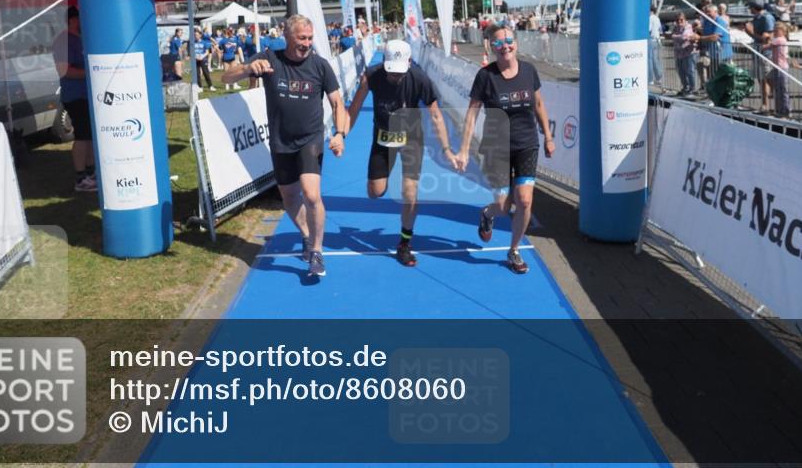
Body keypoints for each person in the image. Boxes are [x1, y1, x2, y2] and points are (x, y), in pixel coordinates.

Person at [224, 15, 348, 277]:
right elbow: (226, 77)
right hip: (281, 141)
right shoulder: (270, 59)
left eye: (310, 38)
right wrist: (248, 69)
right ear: (287, 37)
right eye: (301, 38)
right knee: (290, 198)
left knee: (311, 194)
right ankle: (305, 234)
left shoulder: (320, 65)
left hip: (310, 139)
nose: (307, 43)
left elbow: (338, 104)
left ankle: (316, 251)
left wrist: (340, 134)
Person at [346, 40, 458, 266]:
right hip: (383, 137)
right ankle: (384, 179)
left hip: (411, 138)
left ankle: (404, 243)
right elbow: (355, 106)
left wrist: (446, 149)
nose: (395, 77)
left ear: (408, 63)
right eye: (391, 72)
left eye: (399, 72)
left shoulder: (420, 79)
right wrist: (342, 134)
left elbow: (436, 115)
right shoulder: (372, 76)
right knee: (375, 192)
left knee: (409, 192)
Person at [456, 24, 555, 275]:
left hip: (526, 144)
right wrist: (464, 150)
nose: (505, 46)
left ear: (516, 43)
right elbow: (471, 114)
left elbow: (539, 104)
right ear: (491, 46)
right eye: (498, 42)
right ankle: (488, 213)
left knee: (524, 200)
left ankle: (513, 250)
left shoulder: (529, 71)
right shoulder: (485, 76)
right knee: (503, 206)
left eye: (509, 41)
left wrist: (548, 136)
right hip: (496, 148)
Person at [53, 6, 96, 192]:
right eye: (80, 18)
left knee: (90, 136)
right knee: (82, 136)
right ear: (72, 20)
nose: (83, 21)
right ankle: (80, 179)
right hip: (75, 95)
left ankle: (91, 173)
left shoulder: (81, 38)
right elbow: (64, 70)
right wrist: (91, 73)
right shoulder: (63, 41)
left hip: (88, 95)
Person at [745, 0, 775, 109]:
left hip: (766, 52)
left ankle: (769, 104)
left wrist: (750, 33)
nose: (749, 10)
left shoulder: (767, 17)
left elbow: (768, 38)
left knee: (767, 78)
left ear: (754, 7)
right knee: (761, 79)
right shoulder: (757, 18)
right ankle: (766, 104)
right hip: (758, 51)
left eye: (750, 7)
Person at [671, 13, 698, 97]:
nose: (679, 21)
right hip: (679, 53)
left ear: (685, 20)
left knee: (690, 71)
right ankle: (685, 88)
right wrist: (679, 37)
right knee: (681, 72)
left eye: (681, 19)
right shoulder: (676, 27)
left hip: (689, 53)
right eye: (677, 20)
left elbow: (684, 37)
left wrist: (675, 37)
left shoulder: (688, 27)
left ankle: (693, 89)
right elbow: (681, 37)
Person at [768, 22, 792, 118]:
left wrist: (767, 37)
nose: (774, 32)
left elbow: (767, 45)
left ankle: (786, 110)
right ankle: (779, 109)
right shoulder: (778, 39)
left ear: (783, 31)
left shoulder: (780, 40)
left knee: (783, 89)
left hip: (782, 67)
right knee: (778, 89)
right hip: (777, 66)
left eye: (776, 30)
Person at [648, 7, 663, 87]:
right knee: (655, 59)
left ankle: (650, 79)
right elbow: (660, 29)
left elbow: (649, 30)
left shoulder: (649, 18)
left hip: (651, 40)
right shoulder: (657, 18)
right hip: (657, 40)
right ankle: (659, 77)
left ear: (651, 11)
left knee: (649, 59)